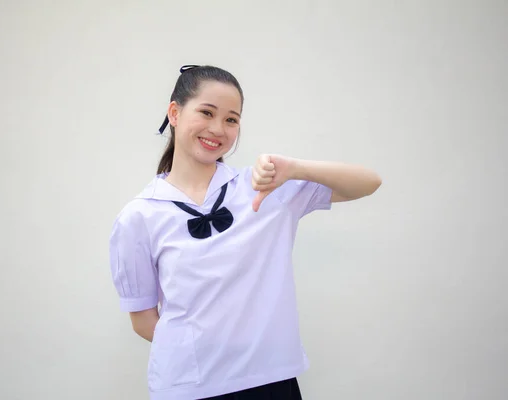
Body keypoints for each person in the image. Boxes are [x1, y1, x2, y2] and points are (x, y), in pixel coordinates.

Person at [109, 65, 382, 400]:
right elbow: (143, 320)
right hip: (187, 387)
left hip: (270, 380)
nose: (217, 129)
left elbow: (369, 183)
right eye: (206, 112)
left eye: (231, 119)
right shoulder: (139, 215)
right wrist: (206, 350)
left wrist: (295, 168)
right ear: (175, 113)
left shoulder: (266, 187)